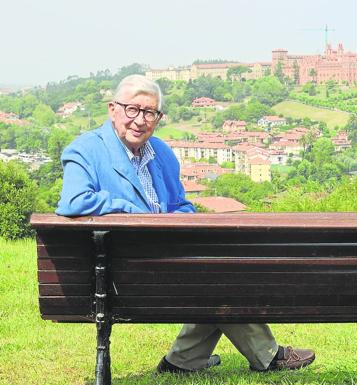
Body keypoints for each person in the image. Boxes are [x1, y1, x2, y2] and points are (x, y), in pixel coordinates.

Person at [56, 74, 315, 373]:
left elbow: (180, 204)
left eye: (149, 112)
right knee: (220, 276)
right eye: (132, 109)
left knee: (218, 268)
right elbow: (73, 202)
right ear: (112, 109)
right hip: (120, 277)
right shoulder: (85, 150)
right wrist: (133, 213)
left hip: (169, 261)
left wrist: (182, 219)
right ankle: (269, 357)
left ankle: (182, 362)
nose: (140, 120)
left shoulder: (162, 153)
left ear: (158, 117)